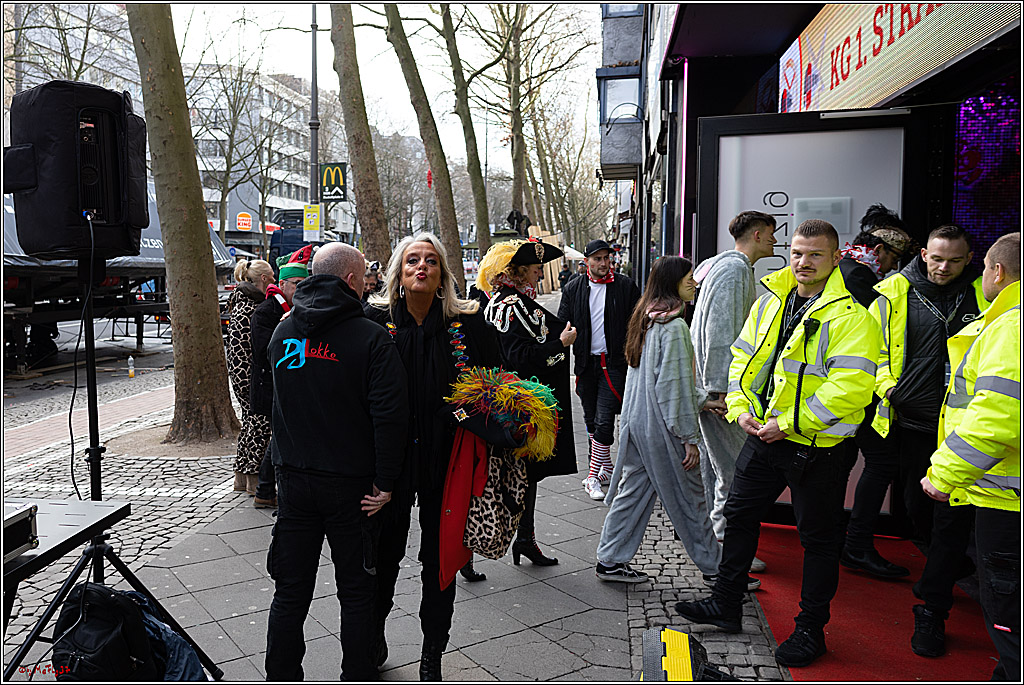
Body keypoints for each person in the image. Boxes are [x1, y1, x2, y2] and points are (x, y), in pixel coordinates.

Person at [675, 220, 882, 669]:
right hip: (764, 435)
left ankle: (811, 629)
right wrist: (740, 407)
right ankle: (726, 602)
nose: (803, 262)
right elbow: (743, 358)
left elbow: (851, 388)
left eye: (815, 255)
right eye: (797, 253)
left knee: (818, 541)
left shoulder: (854, 318)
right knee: (738, 514)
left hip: (818, 447)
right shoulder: (771, 298)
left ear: (835, 258)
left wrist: (787, 424)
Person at [264, 242, 407, 681]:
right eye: (364, 278)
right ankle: (357, 674)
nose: (367, 285)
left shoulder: (284, 332)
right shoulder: (371, 338)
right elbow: (390, 416)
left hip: (294, 482)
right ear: (351, 280)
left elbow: (274, 405)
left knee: (290, 592)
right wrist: (386, 481)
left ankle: (281, 676)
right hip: (352, 487)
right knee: (357, 593)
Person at [364, 232, 501, 680]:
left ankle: (432, 653)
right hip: (392, 465)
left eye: (431, 261)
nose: (421, 267)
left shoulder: (469, 324)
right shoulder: (374, 322)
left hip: (449, 462)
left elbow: (496, 385)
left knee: (439, 561)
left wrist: (463, 412)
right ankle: (374, 635)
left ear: (443, 274)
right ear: (398, 273)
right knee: (384, 555)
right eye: (412, 261)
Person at [867, 225, 987, 651]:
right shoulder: (892, 293)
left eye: (954, 260)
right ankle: (946, 563)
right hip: (912, 423)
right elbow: (872, 351)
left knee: (951, 518)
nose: (943, 267)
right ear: (923, 254)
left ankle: (932, 608)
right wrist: (890, 390)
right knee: (916, 510)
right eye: (936, 258)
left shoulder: (984, 295)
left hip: (961, 428)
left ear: (969, 259)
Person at [921, 232, 1019, 681]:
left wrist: (944, 474)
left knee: (1008, 611)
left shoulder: (1010, 325)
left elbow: (997, 416)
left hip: (1006, 496)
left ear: (996, 271)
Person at [594, 256, 723, 584]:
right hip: (662, 428)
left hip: (638, 422)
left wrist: (703, 400)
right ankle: (716, 569)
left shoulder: (647, 317)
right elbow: (673, 388)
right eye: (688, 277)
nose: (694, 282)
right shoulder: (674, 326)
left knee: (634, 492)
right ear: (672, 283)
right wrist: (689, 438)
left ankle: (610, 559)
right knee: (690, 499)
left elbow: (658, 380)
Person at [478, 238, 577, 566]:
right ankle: (481, 547)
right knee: (511, 477)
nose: (540, 275)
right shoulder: (512, 305)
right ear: (520, 271)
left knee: (522, 475)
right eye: (536, 269)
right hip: (518, 405)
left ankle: (523, 540)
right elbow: (518, 357)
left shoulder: (504, 299)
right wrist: (560, 345)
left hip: (510, 401)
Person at [691, 210, 777, 574]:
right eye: (771, 234)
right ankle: (728, 549)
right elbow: (720, 331)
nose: (775, 241)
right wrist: (720, 390)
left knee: (723, 468)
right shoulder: (734, 270)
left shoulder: (725, 268)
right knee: (735, 469)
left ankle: (719, 542)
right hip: (722, 392)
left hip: (716, 387)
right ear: (756, 235)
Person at [835, 208, 916, 578]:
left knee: (842, 462)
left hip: (841, 387)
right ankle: (856, 545)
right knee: (882, 462)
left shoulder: (844, 270)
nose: (894, 267)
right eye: (894, 258)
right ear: (880, 250)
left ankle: (836, 538)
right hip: (856, 388)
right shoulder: (861, 280)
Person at [558, 239, 640, 500]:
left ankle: (592, 476)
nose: (604, 263)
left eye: (607, 258)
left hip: (614, 364)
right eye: (598, 259)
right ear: (587, 262)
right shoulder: (573, 288)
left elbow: (637, 323)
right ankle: (606, 470)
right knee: (591, 420)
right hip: (585, 364)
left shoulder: (625, 286)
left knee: (605, 420)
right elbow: (561, 323)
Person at [249, 247, 311, 509]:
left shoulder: (300, 309)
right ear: (282, 284)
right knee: (280, 437)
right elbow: (265, 352)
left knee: (283, 436)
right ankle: (265, 489)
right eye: (296, 283)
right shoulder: (266, 311)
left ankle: (267, 489)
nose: (301, 288)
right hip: (271, 387)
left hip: (290, 386)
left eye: (304, 283)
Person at [225, 258, 275, 495]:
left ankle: (241, 477)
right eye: (272, 276)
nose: (274, 280)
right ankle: (254, 480)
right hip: (249, 375)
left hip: (240, 373)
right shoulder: (253, 307)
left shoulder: (241, 302)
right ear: (263, 279)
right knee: (259, 425)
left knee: (250, 423)